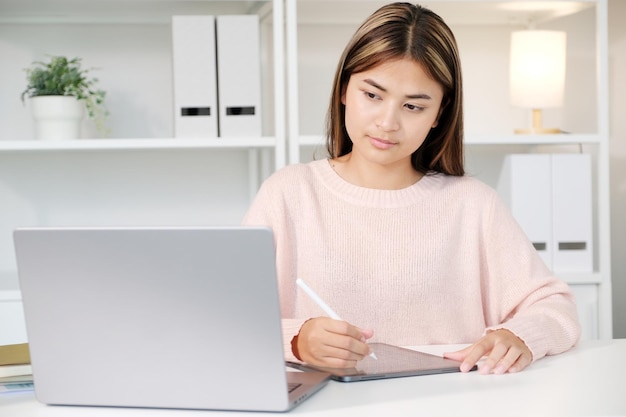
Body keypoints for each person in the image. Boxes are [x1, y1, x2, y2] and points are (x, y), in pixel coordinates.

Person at [243, 2, 580, 374]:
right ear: (343, 90)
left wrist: (520, 336)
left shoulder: (472, 205)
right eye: (372, 95)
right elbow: (225, 318)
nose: (387, 123)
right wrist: (297, 340)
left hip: (449, 402)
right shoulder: (289, 193)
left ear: (439, 114)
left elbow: (554, 306)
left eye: (413, 107)